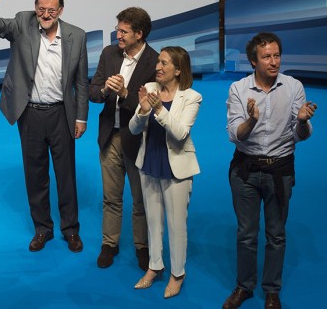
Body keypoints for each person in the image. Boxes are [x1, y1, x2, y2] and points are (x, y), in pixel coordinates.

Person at [0, 0, 88, 253]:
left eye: (51, 10)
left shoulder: (77, 36)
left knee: (66, 175)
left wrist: (82, 117)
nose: (45, 14)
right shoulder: (21, 22)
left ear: (61, 10)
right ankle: (43, 229)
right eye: (41, 9)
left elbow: (81, 82)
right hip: (30, 113)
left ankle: (70, 230)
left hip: (62, 113)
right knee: (35, 174)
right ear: (35, 6)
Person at [222, 32, 317, 309]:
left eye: (276, 55)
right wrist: (251, 120)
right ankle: (244, 286)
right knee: (246, 234)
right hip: (245, 171)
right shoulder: (238, 89)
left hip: (280, 171)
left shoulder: (294, 87)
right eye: (266, 57)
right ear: (254, 61)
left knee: (276, 235)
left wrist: (301, 121)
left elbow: (301, 135)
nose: (273, 61)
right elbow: (234, 135)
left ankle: (272, 290)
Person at [128, 46, 201, 299]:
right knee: (153, 222)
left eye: (164, 64)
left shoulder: (192, 97)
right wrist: (144, 110)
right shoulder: (150, 88)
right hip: (149, 163)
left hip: (176, 168)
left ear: (178, 70)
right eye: (158, 62)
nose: (158, 67)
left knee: (176, 225)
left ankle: (177, 273)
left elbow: (180, 134)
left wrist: (159, 109)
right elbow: (134, 128)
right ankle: (155, 266)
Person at [88, 7, 158, 269]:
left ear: (139, 34)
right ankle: (110, 243)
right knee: (111, 196)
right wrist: (107, 88)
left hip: (138, 139)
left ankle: (142, 246)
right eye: (118, 29)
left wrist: (126, 93)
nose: (118, 34)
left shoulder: (155, 61)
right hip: (110, 137)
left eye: (123, 31)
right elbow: (93, 92)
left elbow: (150, 107)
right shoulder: (109, 54)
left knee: (140, 200)